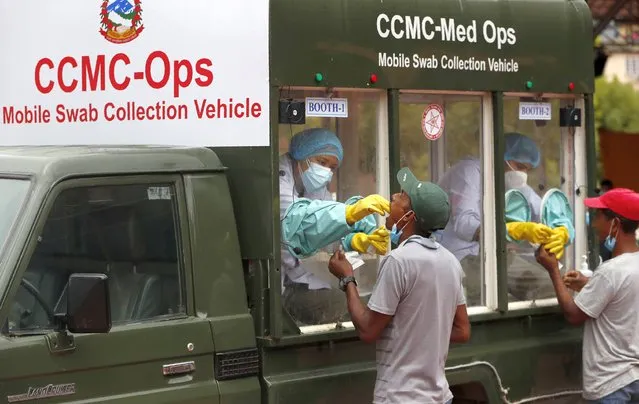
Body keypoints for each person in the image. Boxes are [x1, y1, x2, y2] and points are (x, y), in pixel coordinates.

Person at [328, 167, 470, 404]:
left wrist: (347, 278)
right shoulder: (450, 262)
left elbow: (368, 330)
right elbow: (462, 331)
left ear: (408, 217)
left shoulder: (399, 261)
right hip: (439, 397)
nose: (393, 196)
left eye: (402, 196)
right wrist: (417, 333)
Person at [536, 188, 639, 403]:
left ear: (615, 224)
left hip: (612, 383)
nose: (594, 224)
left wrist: (553, 270)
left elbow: (573, 315)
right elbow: (622, 294)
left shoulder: (610, 272)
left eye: (599, 216)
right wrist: (588, 284)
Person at [279, 128, 391, 325]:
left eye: (332, 167)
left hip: (296, 277)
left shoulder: (314, 186)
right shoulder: (278, 179)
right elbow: (299, 224)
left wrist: (351, 241)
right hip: (276, 284)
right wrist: (349, 213)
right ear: (300, 155)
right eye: (321, 162)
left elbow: (325, 231)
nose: (326, 172)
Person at [437, 132, 553, 304]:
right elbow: (464, 224)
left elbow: (541, 209)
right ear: (502, 156)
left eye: (527, 169)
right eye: (519, 166)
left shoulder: (509, 179)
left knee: (548, 287)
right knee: (486, 299)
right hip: (459, 256)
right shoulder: (470, 172)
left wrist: (556, 228)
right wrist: (507, 233)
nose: (522, 174)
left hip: (490, 254)